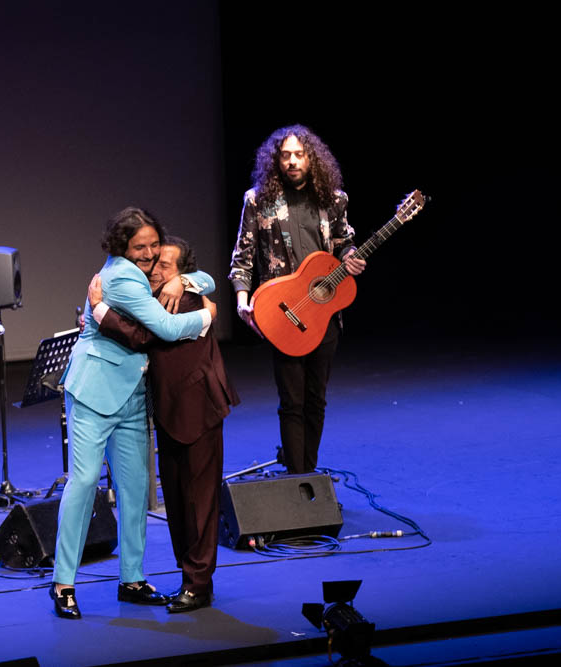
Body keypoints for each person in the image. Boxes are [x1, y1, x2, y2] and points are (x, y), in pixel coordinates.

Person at [52, 207, 215, 620]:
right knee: (86, 479)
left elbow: (205, 277)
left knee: (135, 487)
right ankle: (63, 582)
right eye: (138, 246)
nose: (147, 254)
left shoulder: (150, 272)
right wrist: (208, 314)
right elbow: (162, 329)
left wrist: (185, 278)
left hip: (132, 395)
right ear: (121, 247)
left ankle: (132, 578)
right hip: (95, 392)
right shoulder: (121, 278)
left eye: (153, 245)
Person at [89, 236, 238, 613]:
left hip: (198, 408)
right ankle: (192, 577)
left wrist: (101, 312)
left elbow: (144, 336)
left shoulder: (184, 299)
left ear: (182, 273)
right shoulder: (160, 296)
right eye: (153, 265)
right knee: (176, 499)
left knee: (200, 502)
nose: (156, 271)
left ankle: (199, 584)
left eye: (166, 267)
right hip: (171, 412)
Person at [229, 124, 366, 474]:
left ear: (311, 158)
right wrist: (243, 300)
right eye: (285, 155)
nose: (292, 161)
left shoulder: (333, 199)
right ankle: (297, 481)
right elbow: (242, 258)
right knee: (292, 402)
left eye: (299, 155)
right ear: (276, 160)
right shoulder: (257, 200)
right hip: (283, 312)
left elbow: (343, 240)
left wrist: (351, 255)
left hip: (323, 313)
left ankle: (310, 478)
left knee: (316, 400)